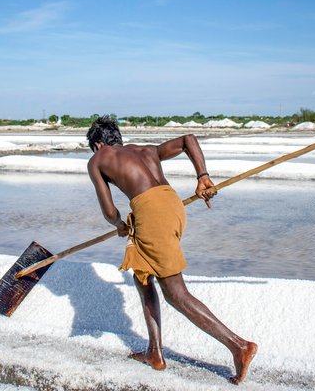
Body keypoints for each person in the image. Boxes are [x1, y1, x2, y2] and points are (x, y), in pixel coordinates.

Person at [86, 116, 257, 385]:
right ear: (116, 137)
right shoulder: (144, 150)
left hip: (152, 211)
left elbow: (109, 211)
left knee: (175, 293)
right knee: (142, 275)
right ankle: (155, 352)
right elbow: (188, 140)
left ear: (97, 144)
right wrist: (202, 177)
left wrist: (119, 224)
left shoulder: (98, 159)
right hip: (172, 204)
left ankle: (239, 346)